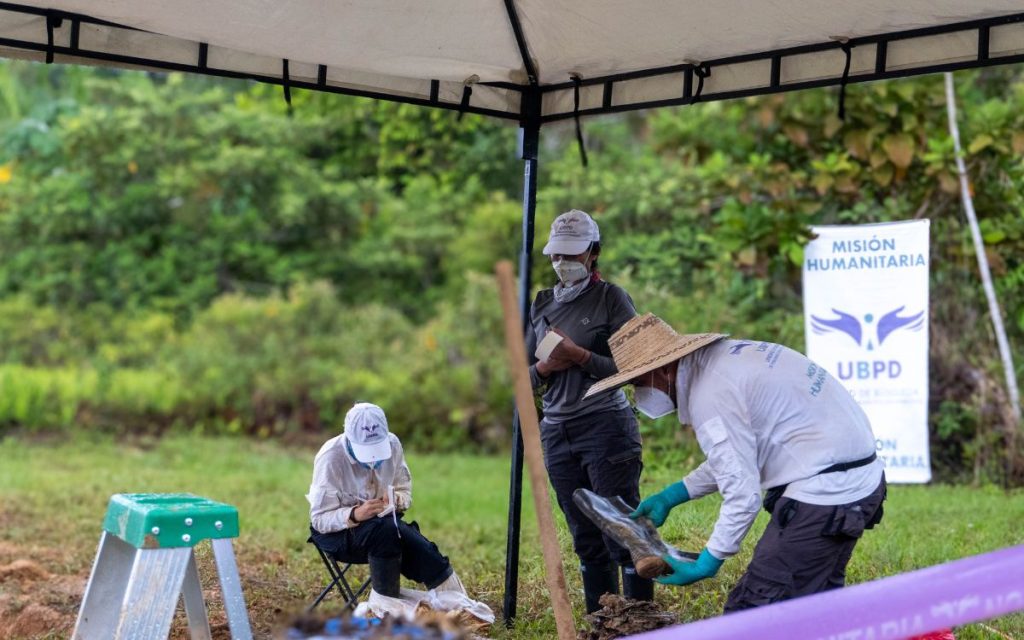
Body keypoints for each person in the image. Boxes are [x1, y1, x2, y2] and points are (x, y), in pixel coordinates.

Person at [583, 313, 886, 612]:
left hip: (829, 492)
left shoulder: (710, 395)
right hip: (857, 481)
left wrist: (707, 561)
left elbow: (742, 493)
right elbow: (736, 457)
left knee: (750, 613)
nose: (639, 395)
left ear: (661, 370)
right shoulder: (723, 362)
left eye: (638, 383)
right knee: (815, 605)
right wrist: (674, 494)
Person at [524, 209, 648, 613]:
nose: (563, 264)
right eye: (557, 256)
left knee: (621, 527)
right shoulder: (541, 303)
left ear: (593, 253)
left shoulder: (611, 298)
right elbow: (522, 376)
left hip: (605, 426)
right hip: (557, 431)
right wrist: (545, 366)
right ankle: (603, 619)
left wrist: (578, 355)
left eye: (572, 255)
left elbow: (634, 367)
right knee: (584, 533)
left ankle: (640, 617)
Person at [306, 402, 465, 598]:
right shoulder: (331, 457)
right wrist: (355, 514)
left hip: (384, 526)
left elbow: (404, 491)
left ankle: (454, 598)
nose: (372, 459)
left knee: (398, 534)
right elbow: (319, 520)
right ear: (349, 439)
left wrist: (396, 500)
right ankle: (388, 603)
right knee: (389, 532)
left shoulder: (393, 444)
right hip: (337, 534)